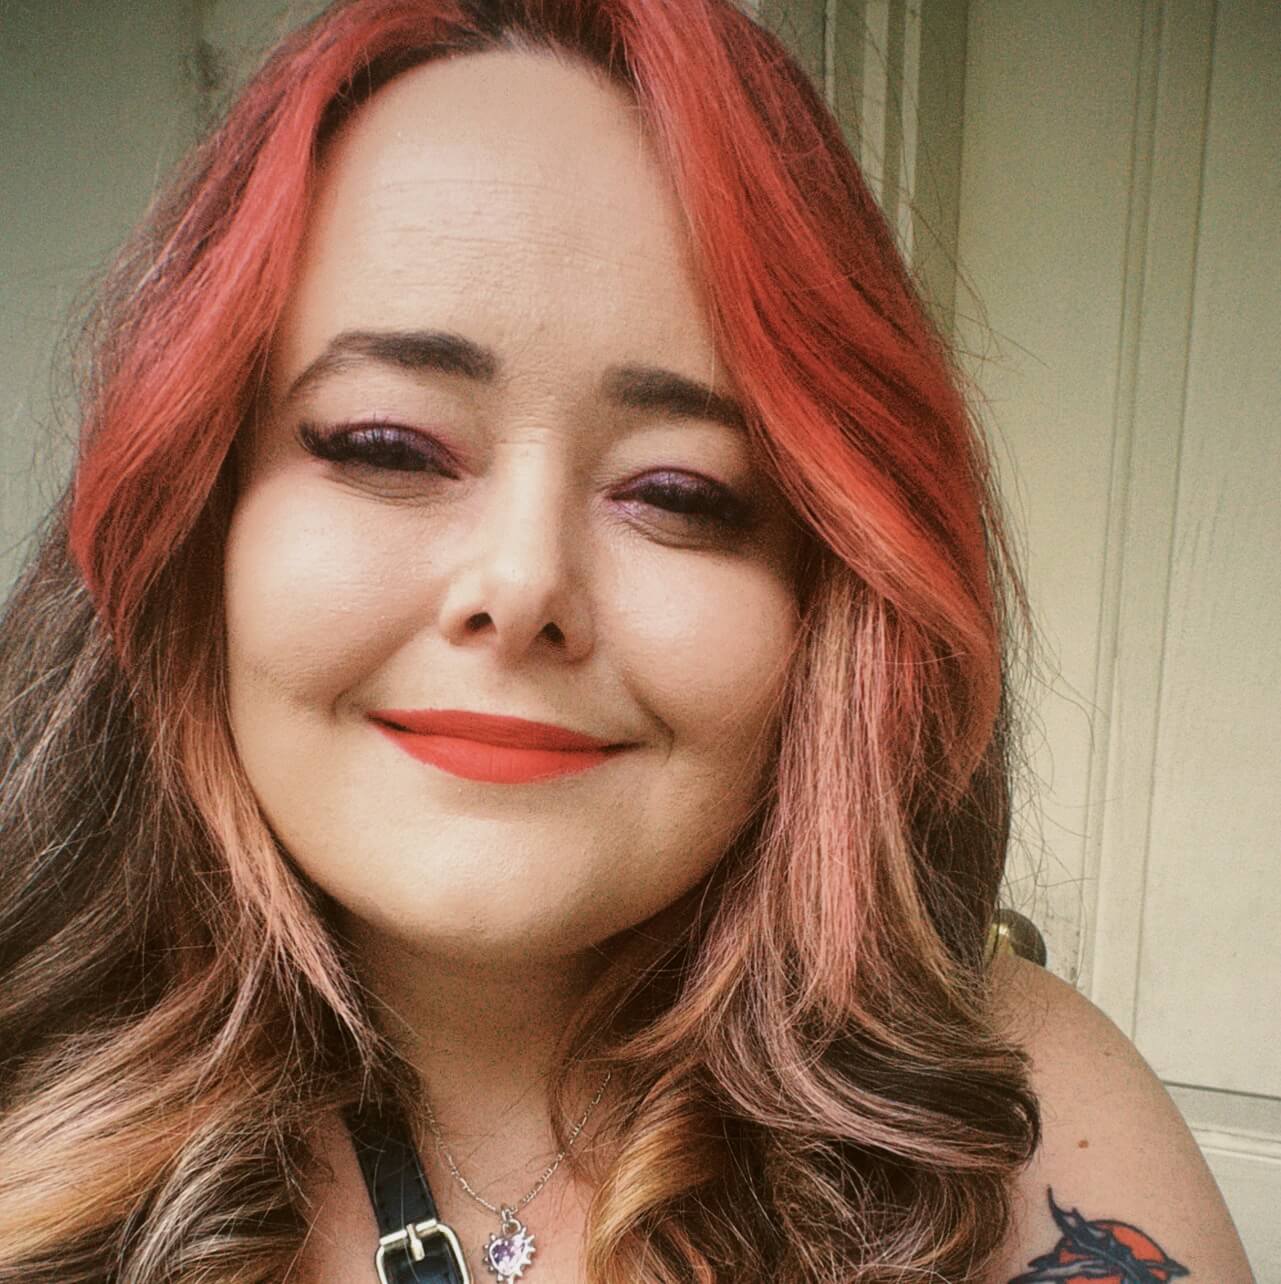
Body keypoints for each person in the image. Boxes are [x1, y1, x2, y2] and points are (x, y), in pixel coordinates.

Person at [0, 1, 1255, 1281]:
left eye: (681, 492)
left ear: (835, 595)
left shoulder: (1027, 1129)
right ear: (194, 511)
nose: (524, 583)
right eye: (387, 444)